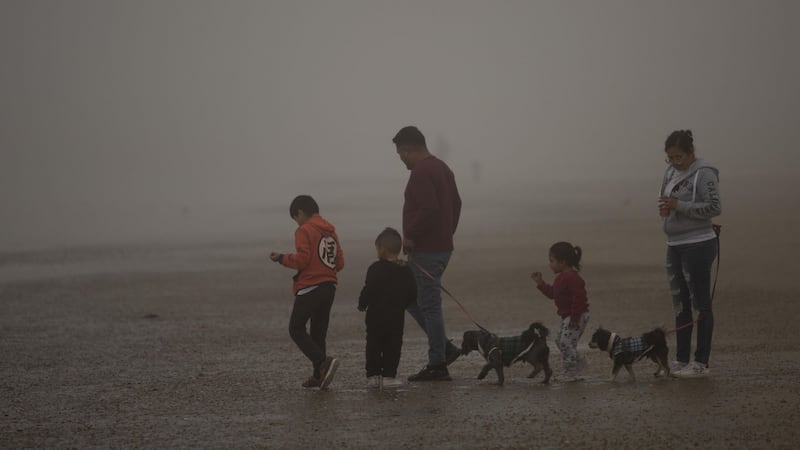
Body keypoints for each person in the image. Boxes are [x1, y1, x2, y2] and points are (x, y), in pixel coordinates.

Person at [393, 125, 463, 382]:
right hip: (440, 247)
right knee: (411, 299)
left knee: (430, 306)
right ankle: (444, 348)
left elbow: (428, 208)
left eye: (400, 153)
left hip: (427, 251)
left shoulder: (422, 171)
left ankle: (437, 364)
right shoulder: (442, 167)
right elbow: (456, 204)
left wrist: (410, 235)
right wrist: (448, 233)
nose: (401, 159)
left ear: (408, 148)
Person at [658, 129, 721, 378]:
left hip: (698, 244)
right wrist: (667, 208)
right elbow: (668, 200)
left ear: (691, 153)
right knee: (680, 305)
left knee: (701, 305)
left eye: (679, 157)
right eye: (670, 158)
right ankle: (681, 359)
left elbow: (715, 207)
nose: (675, 162)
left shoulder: (705, 173)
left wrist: (679, 205)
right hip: (673, 244)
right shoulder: (670, 173)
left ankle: (701, 362)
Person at [269, 195, 344, 389]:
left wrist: (281, 258)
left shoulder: (304, 230)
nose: (297, 222)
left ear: (300, 212)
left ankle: (323, 362)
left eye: (296, 218)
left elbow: (302, 260)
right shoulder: (331, 232)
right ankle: (319, 376)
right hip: (330, 287)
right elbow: (340, 263)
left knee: (296, 328)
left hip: (311, 287)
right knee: (318, 333)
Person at [358, 227, 418, 389]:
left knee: (373, 345)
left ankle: (373, 376)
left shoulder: (375, 268)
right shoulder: (406, 269)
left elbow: (368, 290)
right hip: (396, 317)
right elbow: (413, 291)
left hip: (375, 317)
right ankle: (389, 376)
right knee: (393, 345)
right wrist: (405, 303)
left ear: (382, 249)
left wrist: (362, 304)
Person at [531, 242, 590, 382]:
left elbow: (579, 297)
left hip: (577, 315)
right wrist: (541, 283)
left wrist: (575, 316)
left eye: (552, 261)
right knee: (560, 341)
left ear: (563, 262)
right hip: (568, 316)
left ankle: (572, 371)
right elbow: (553, 294)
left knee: (565, 342)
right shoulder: (561, 278)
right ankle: (578, 363)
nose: (550, 264)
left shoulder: (572, 277)